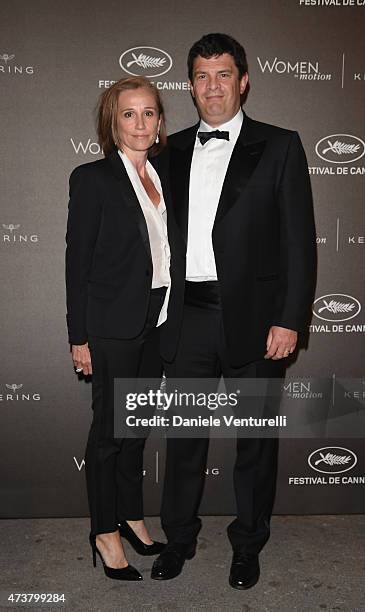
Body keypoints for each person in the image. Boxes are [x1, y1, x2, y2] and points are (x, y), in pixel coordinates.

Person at [151, 33, 317, 588]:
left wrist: (291, 318)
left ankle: (248, 543)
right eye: (201, 75)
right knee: (184, 438)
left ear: (243, 80)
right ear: (190, 86)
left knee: (254, 441)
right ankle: (178, 537)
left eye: (223, 74)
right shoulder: (168, 150)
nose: (213, 86)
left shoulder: (281, 145)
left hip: (256, 319)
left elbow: (299, 242)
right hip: (189, 316)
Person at [65, 76, 172, 581]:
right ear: (113, 121)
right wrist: (78, 335)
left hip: (159, 318)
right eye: (128, 114)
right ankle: (104, 529)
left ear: (160, 120)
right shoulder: (92, 178)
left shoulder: (162, 176)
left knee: (135, 429)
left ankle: (131, 513)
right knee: (110, 431)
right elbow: (76, 262)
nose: (140, 123)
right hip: (111, 324)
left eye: (148, 112)